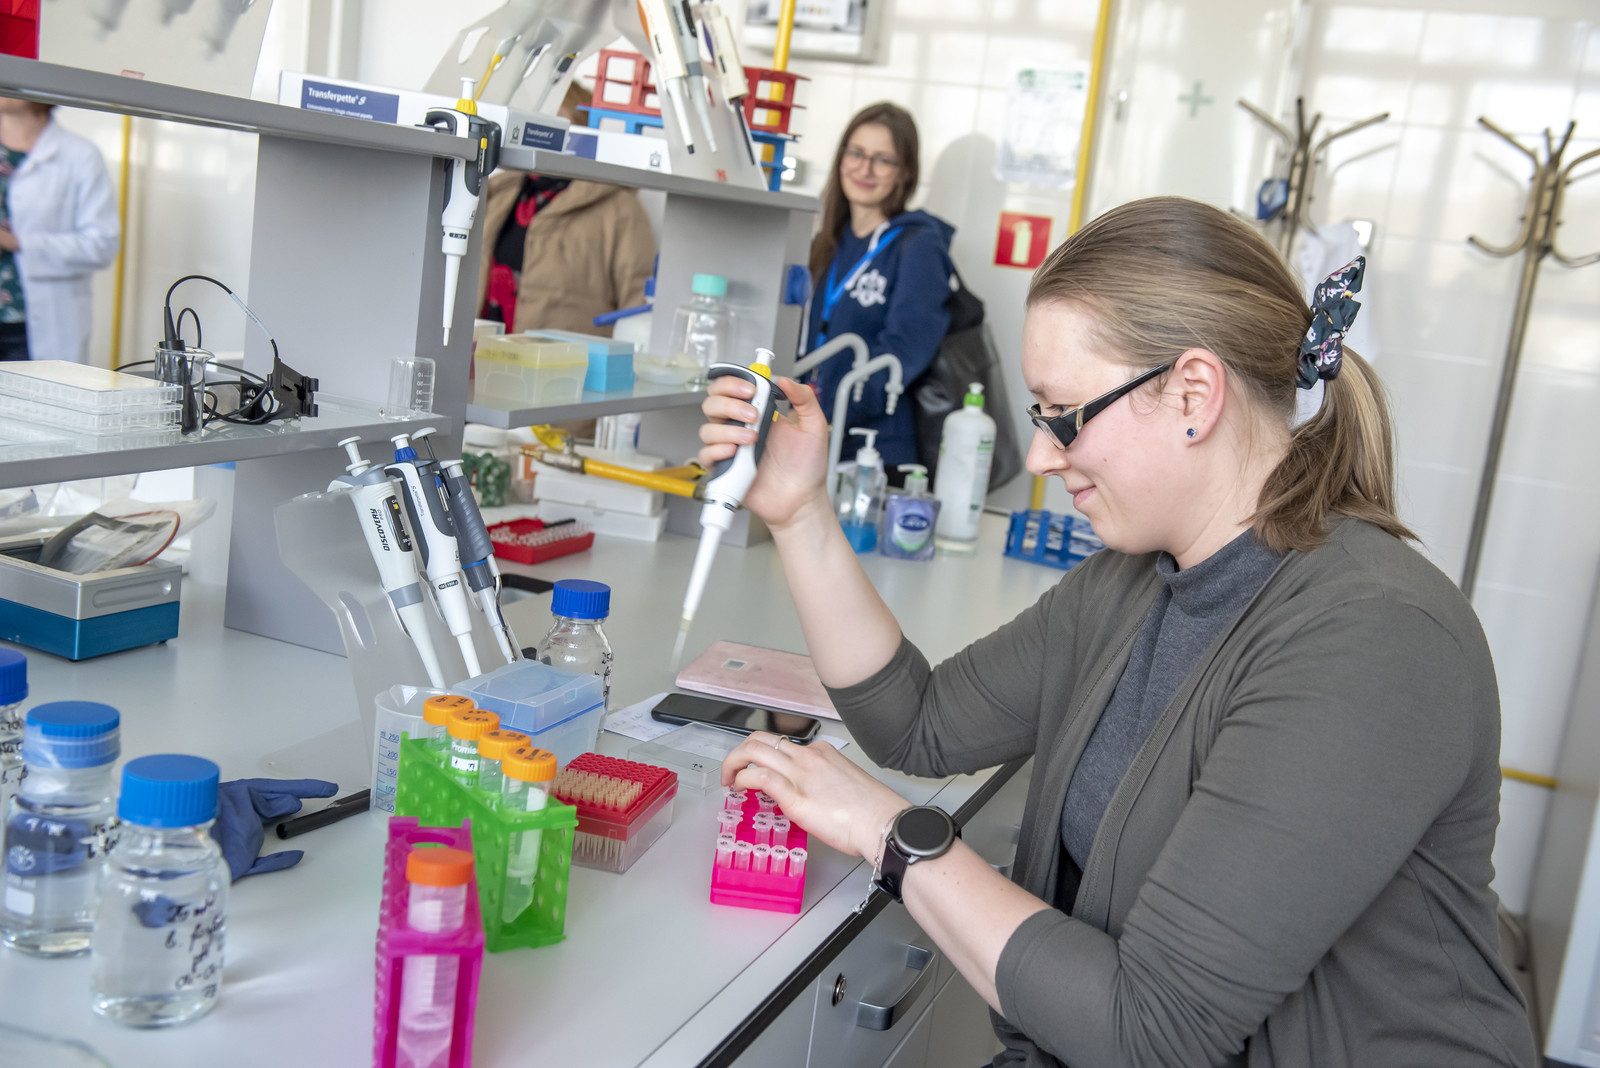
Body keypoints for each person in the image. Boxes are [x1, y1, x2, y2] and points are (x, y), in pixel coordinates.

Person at [699, 197, 1538, 1067]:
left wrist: (892, 834)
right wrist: (799, 512)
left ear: (1193, 394)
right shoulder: (1134, 581)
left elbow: (1152, 1030)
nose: (1040, 455)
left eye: (1063, 414)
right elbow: (919, 723)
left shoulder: (1375, 639)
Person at [803, 102, 955, 472]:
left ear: (905, 172)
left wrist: (829, 417)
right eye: (856, 153)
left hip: (873, 452)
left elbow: (902, 352)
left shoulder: (919, 245)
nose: (864, 169)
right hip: (814, 434)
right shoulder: (828, 242)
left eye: (882, 160)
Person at [474, 83, 655, 337]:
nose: (540, 131)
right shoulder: (500, 192)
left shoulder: (620, 208)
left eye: (554, 120)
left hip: (566, 360)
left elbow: (639, 304)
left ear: (582, 128)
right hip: (483, 353)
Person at [0, 99, 119, 363]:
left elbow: (101, 245)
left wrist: (16, 242)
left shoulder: (80, 155)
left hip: (35, 326)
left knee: (35, 389)